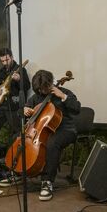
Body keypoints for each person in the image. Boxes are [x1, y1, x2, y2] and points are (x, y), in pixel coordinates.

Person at [20, 69, 80, 201]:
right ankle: (17, 172)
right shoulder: (36, 97)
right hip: (43, 131)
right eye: (39, 90)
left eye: (44, 88)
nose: (42, 92)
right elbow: (26, 109)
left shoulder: (65, 93)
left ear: (50, 83)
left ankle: (46, 182)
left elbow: (77, 108)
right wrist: (24, 110)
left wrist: (63, 97)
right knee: (19, 140)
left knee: (53, 143)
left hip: (66, 130)